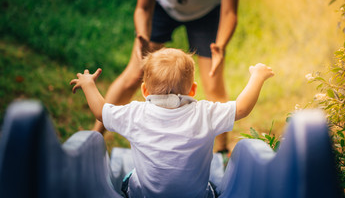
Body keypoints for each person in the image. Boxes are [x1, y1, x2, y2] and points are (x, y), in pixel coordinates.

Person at [70, 48, 274, 198]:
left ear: (144, 91)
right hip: (195, 196)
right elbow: (241, 108)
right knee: (211, 186)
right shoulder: (205, 113)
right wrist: (257, 76)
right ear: (192, 90)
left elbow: (100, 112)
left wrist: (88, 85)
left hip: (143, 196)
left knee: (131, 177)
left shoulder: (135, 114)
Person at [93, 0, 243, 154]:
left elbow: (230, 12)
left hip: (207, 13)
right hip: (163, 8)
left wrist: (220, 46)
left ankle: (221, 151)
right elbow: (143, 8)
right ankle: (95, 136)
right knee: (133, 75)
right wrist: (142, 36)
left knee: (213, 82)